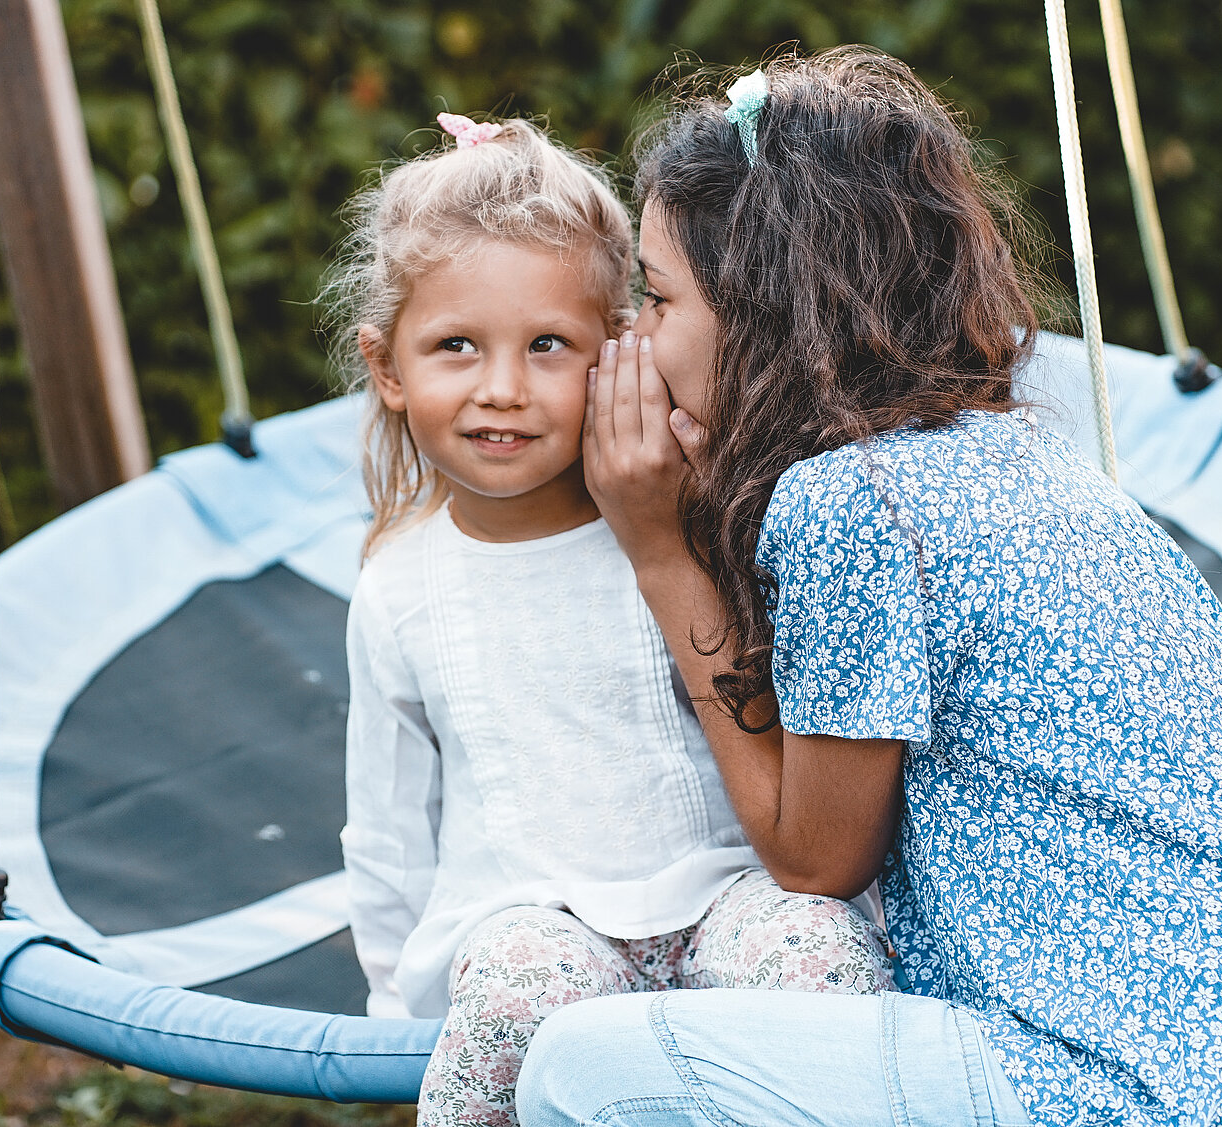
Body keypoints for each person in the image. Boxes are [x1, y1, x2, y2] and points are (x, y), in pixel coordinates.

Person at [516, 50, 1222, 1127]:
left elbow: (814, 855)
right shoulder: (1017, 455)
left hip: (1144, 1087)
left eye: (658, 299)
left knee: (575, 1066)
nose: (636, 341)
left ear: (766, 312)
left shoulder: (852, 505)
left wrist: (659, 545)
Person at [328, 112, 895, 1127]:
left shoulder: (679, 515)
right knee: (520, 991)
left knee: (817, 953)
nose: (502, 387)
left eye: (548, 344)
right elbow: (385, 827)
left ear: (618, 350)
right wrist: (387, 1007)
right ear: (387, 366)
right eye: (455, 346)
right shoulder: (400, 586)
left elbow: (775, 716)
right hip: (530, 916)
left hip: (721, 890)